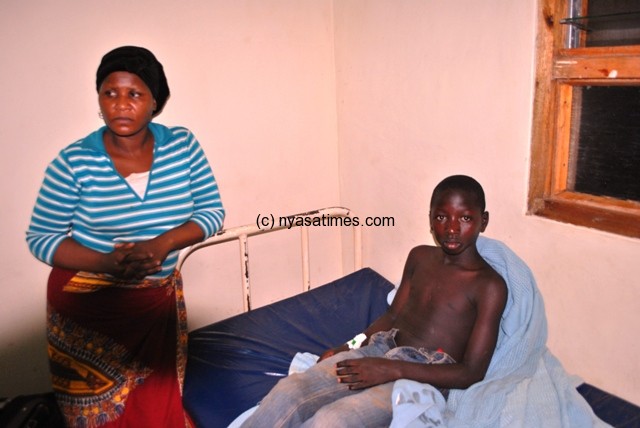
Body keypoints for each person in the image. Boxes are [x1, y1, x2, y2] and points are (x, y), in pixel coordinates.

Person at [26, 46, 225, 427]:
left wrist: (162, 243)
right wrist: (106, 262)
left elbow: (212, 212)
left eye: (134, 94)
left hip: (155, 301)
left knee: (156, 406)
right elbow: (42, 237)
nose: (120, 104)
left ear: (155, 102)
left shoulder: (182, 146)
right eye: (110, 93)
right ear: (99, 100)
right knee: (99, 414)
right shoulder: (74, 161)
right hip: (89, 310)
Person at [241, 175, 507, 427]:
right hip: (379, 351)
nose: (451, 228)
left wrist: (390, 369)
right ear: (429, 219)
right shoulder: (420, 257)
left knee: (334, 420)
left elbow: (471, 372)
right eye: (441, 216)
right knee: (290, 391)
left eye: (465, 218)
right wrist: (348, 345)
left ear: (483, 221)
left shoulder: (488, 286)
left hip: (422, 380)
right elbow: (390, 318)